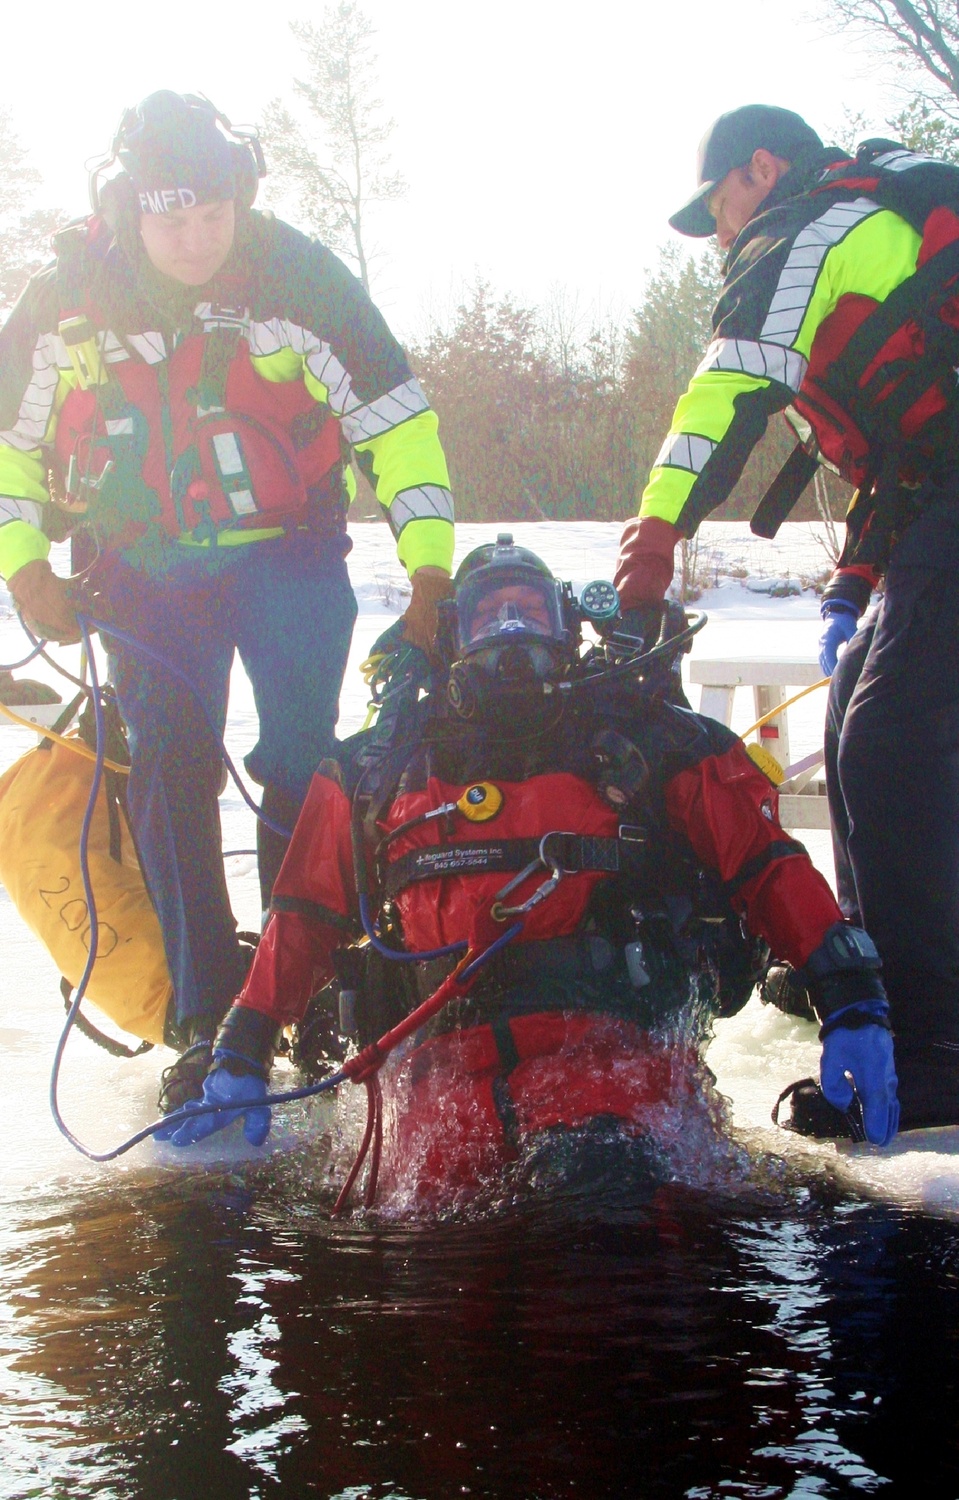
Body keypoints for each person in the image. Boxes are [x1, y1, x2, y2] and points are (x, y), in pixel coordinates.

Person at [161, 535, 899, 1188]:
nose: (511, 634)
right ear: (453, 636)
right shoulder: (379, 768)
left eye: (530, 611)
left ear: (568, 627)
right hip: (441, 1092)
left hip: (616, 1070)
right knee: (438, 1272)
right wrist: (242, 1046)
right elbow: (304, 916)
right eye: (488, 615)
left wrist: (850, 997)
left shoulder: (657, 745)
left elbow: (768, 866)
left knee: (606, 1202)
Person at [0, 91, 455, 1109]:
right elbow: (9, 450)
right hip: (144, 572)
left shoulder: (298, 276)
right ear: (128, 208)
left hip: (287, 557)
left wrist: (429, 567)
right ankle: (210, 1015)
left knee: (301, 762)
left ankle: (306, 990)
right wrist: (25, 566)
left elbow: (399, 426)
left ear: (238, 198)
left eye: (213, 214)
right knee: (168, 763)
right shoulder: (65, 297)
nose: (197, 238)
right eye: (172, 219)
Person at [612, 103, 959, 1135]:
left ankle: (935, 1052)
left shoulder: (804, 228)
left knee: (890, 745)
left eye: (722, 208)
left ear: (763, 168)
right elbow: (938, 417)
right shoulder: (876, 225)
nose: (723, 236)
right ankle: (864, 967)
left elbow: (726, 392)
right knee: (853, 727)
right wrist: (854, 584)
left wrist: (647, 559)